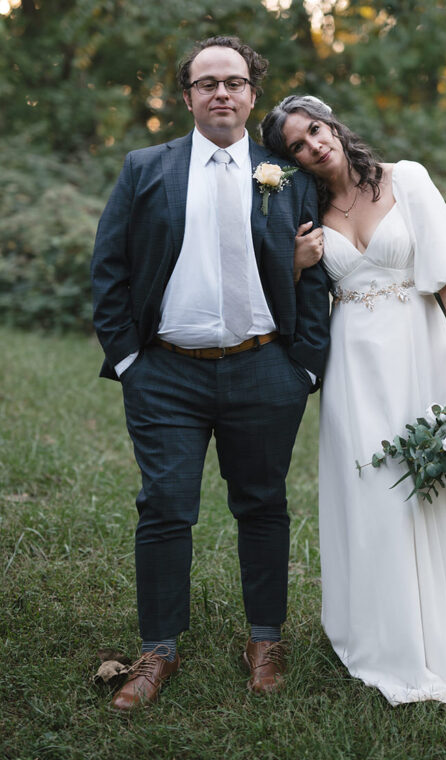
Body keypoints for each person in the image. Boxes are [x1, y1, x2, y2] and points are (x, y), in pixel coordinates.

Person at [260, 95, 446, 712]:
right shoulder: (306, 209)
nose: (312, 146)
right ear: (289, 160)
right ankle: (384, 634)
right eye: (295, 146)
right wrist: (295, 266)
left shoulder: (407, 180)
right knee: (374, 488)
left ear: (333, 126)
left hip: (421, 350)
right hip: (354, 364)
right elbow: (285, 298)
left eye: (315, 131)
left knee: (436, 482)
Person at [90, 39, 330, 709]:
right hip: (165, 373)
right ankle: (157, 650)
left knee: (261, 504)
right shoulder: (146, 168)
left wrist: (303, 369)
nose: (220, 93)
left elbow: (314, 280)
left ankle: (264, 641)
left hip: (265, 370)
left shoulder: (286, 175)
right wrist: (130, 359)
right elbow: (109, 268)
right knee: (164, 507)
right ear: (188, 97)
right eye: (206, 84)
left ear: (252, 93)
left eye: (233, 82)